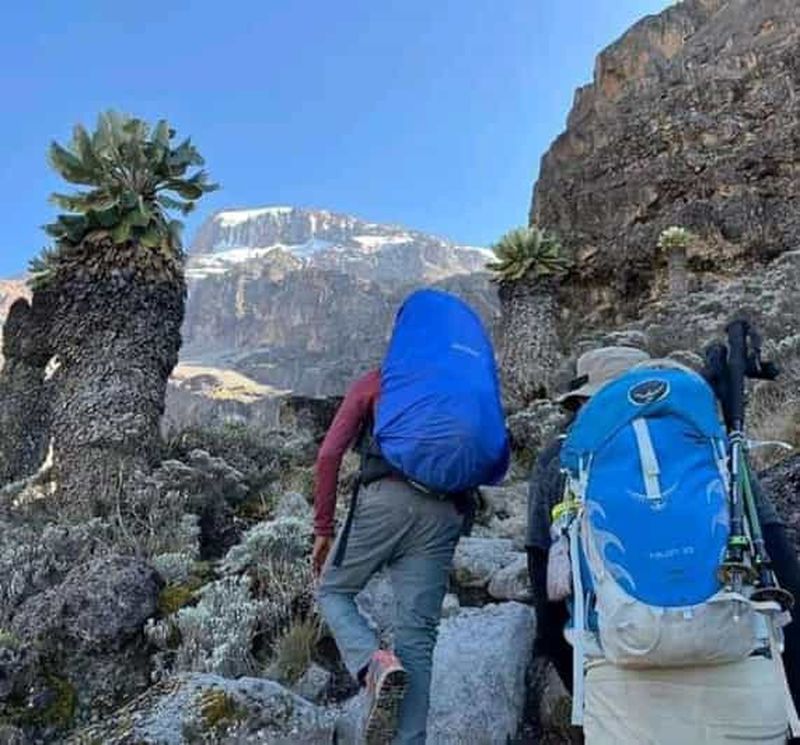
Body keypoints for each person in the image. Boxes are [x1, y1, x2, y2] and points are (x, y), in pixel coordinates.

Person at [527, 346, 800, 743]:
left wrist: (587, 691)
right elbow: (783, 572)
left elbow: (548, 613)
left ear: (586, 402)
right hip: (740, 677)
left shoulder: (562, 460)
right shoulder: (712, 446)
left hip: (624, 692)